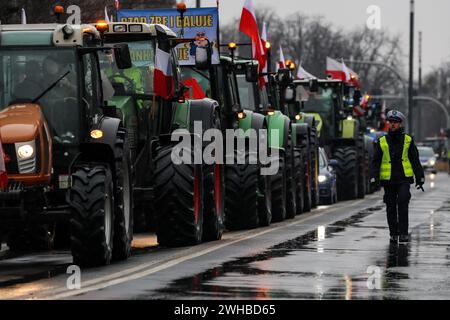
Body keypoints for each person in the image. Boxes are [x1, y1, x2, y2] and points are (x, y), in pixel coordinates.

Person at [371, 109, 425, 244]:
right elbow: (376, 161)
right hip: (388, 180)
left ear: (401, 124)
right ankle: (393, 233)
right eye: (391, 122)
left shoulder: (408, 140)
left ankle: (404, 233)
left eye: (396, 122)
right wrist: (374, 177)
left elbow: (414, 160)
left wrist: (420, 177)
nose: (393, 124)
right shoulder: (382, 141)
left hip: (403, 179)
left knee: (402, 202)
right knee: (390, 207)